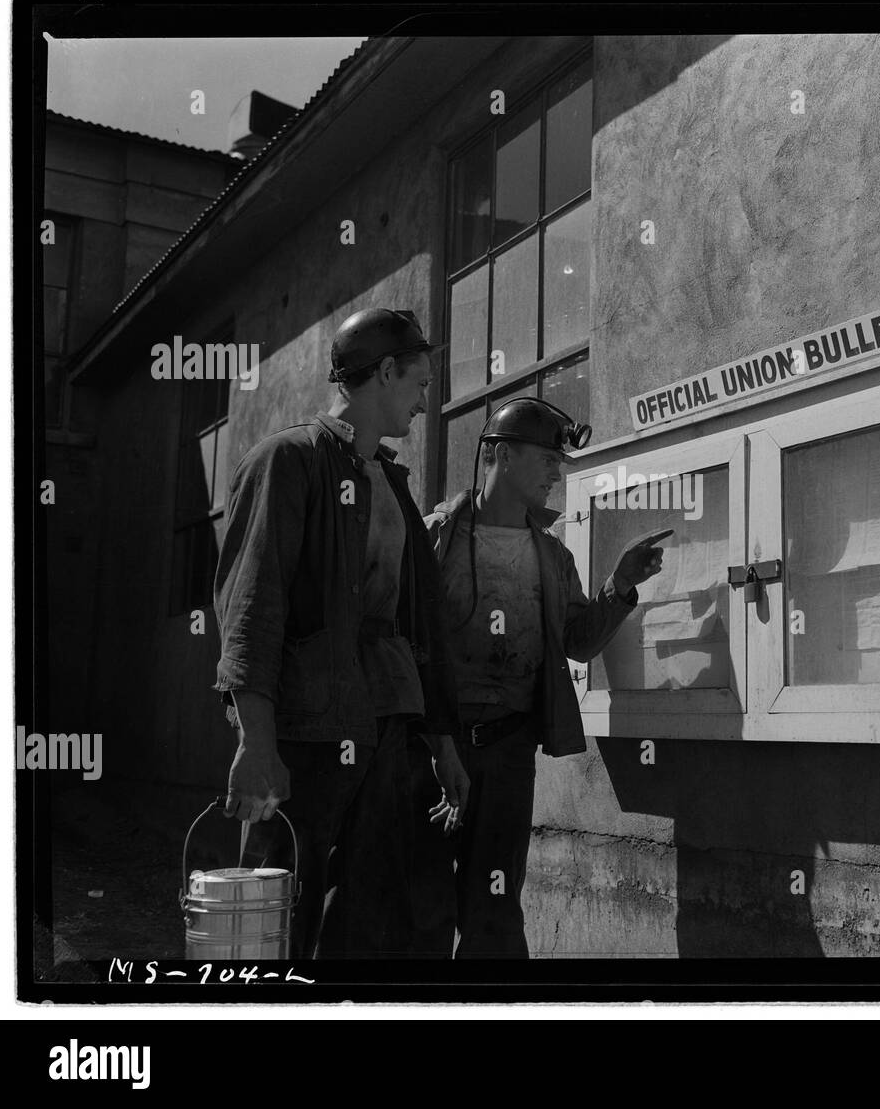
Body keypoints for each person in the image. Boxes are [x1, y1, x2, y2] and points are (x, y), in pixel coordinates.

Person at [212, 307, 468, 958]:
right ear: (384, 372)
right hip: (306, 730)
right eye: (418, 382)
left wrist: (443, 743)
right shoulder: (288, 461)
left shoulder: (393, 484)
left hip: (386, 727)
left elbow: (423, 625)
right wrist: (256, 742)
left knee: (367, 917)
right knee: (273, 912)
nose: (424, 400)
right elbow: (253, 607)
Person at [419, 398, 669, 957]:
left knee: (495, 908)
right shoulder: (434, 537)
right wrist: (433, 748)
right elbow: (402, 638)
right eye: (547, 459)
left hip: (508, 752)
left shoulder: (553, 557)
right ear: (503, 456)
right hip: (430, 750)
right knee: (422, 903)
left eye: (560, 462)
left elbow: (578, 642)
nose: (558, 474)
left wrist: (620, 586)